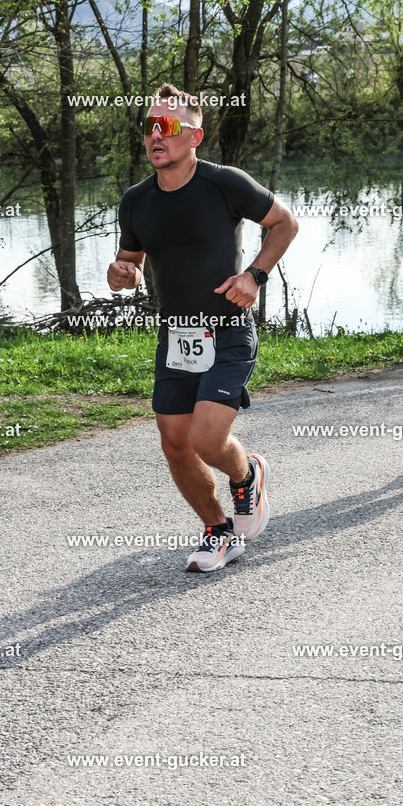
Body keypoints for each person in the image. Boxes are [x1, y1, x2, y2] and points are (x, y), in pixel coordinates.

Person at [106, 83, 299, 571]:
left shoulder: (224, 183)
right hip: (176, 336)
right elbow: (128, 264)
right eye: (150, 126)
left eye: (167, 127)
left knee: (207, 440)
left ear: (195, 136)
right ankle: (217, 532)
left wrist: (254, 276)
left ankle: (247, 473)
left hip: (228, 328)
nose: (155, 136)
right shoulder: (136, 201)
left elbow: (285, 223)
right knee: (175, 444)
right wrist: (119, 274)